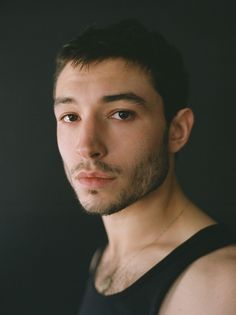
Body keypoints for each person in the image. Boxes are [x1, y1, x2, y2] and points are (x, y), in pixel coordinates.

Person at [53, 19, 236, 314]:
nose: (87, 146)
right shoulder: (104, 258)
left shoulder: (218, 285)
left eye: (121, 114)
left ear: (177, 130)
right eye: (71, 117)